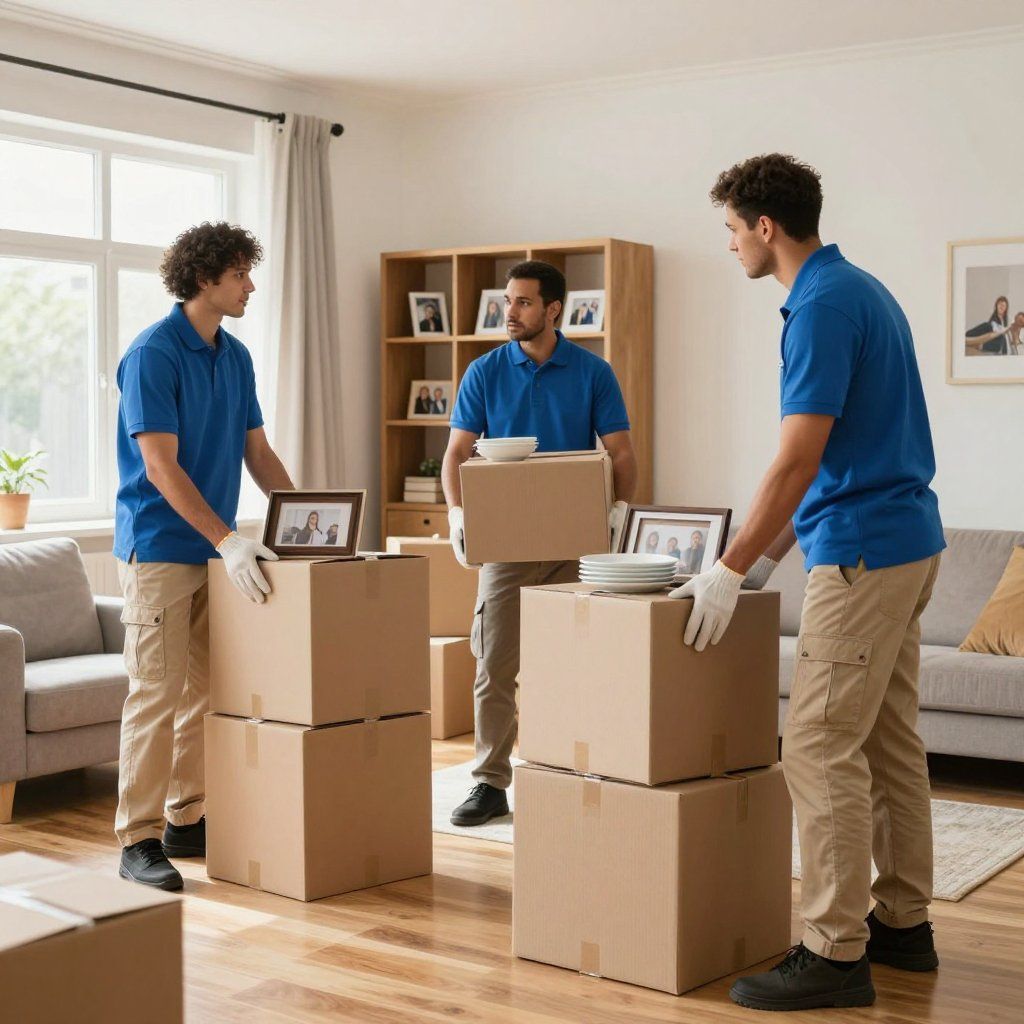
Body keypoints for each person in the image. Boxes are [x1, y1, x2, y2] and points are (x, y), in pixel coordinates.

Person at [672, 154, 945, 1013]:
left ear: (764, 227)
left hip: (864, 553)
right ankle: (903, 923)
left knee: (820, 742)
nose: (729, 248)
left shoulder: (821, 307)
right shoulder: (859, 290)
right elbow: (826, 463)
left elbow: (797, 458)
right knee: (888, 739)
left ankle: (835, 949)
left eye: (729, 231)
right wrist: (762, 560)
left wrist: (729, 565)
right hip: (904, 541)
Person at [113, 221, 295, 891]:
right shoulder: (153, 355)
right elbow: (160, 467)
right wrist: (227, 538)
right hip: (162, 549)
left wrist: (313, 520)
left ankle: (184, 819)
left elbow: (259, 453)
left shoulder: (235, 355)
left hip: (218, 553)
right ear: (203, 279)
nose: (251, 285)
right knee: (155, 694)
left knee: (208, 692)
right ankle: (136, 837)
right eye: (241, 274)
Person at [442, 260, 638, 826]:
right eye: (508, 301)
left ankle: (580, 769)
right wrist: (458, 515)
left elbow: (620, 452)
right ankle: (489, 782)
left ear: (554, 310)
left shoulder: (593, 372)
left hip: (577, 544)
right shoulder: (483, 372)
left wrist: (619, 514)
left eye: (524, 303)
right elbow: (457, 453)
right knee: (494, 665)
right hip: (505, 544)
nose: (510, 313)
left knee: (580, 666)